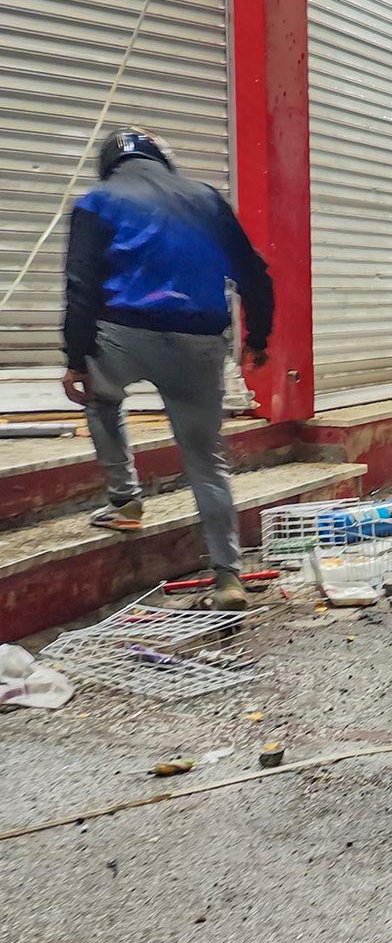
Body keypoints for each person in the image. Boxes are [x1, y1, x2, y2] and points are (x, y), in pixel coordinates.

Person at [62, 127, 275, 610]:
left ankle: (125, 501)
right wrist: (258, 339)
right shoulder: (205, 199)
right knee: (206, 461)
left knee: (101, 398)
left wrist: (76, 360)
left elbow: (80, 285)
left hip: (123, 336)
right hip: (197, 345)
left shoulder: (97, 201)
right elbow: (254, 273)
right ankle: (228, 577)